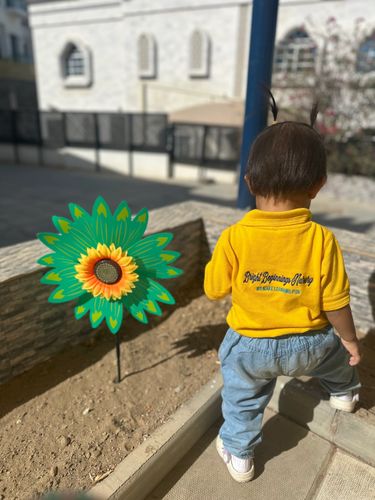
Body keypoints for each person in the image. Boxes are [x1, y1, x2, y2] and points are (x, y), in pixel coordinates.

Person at [204, 94, 362, 483]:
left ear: (249, 181)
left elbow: (213, 289)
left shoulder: (234, 237)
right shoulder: (322, 239)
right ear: (319, 185)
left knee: (242, 399)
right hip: (311, 344)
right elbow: (336, 302)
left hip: (252, 348)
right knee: (337, 358)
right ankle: (344, 395)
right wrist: (351, 340)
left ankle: (239, 455)